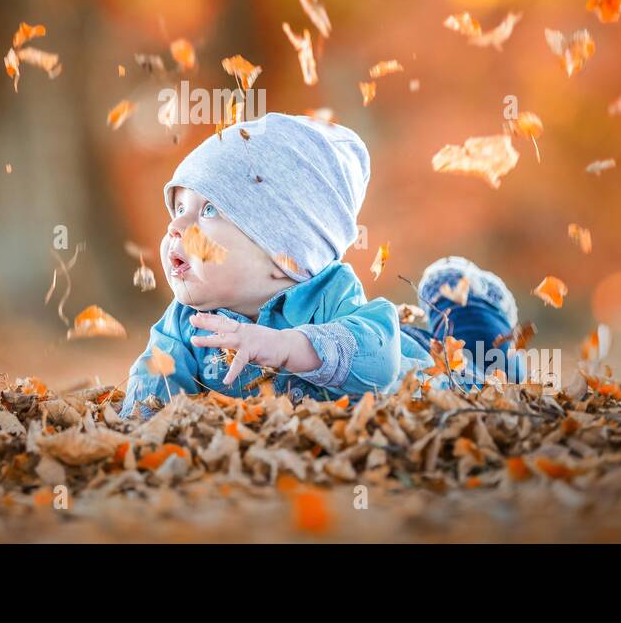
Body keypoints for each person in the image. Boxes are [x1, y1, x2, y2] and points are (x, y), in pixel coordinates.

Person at [118, 112, 526, 421]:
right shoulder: (187, 319)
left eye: (207, 210)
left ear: (285, 256)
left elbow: (379, 361)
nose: (176, 226)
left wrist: (283, 347)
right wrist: (139, 421)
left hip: (426, 376)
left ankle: (470, 314)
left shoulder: (329, 293)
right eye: (179, 208)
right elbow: (157, 378)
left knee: (479, 374)